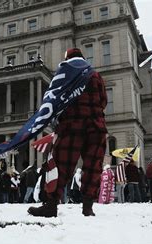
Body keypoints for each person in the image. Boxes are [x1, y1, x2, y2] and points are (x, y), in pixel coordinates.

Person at [28, 48, 107, 217]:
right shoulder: (96, 75)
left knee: (60, 166)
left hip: (72, 125)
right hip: (96, 126)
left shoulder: (64, 71)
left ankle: (51, 205)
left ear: (67, 58)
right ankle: (88, 207)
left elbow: (53, 98)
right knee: (93, 167)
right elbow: (103, 101)